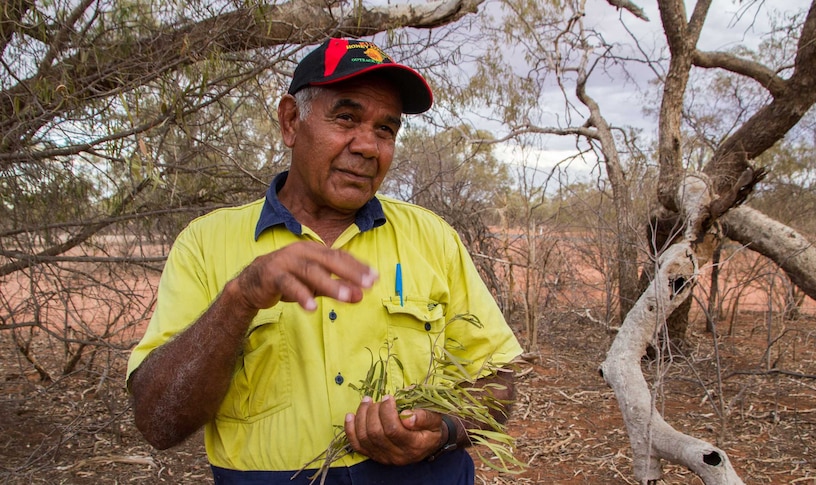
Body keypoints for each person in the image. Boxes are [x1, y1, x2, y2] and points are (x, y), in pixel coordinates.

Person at [126, 37, 523, 484]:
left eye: (385, 130)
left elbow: (496, 377)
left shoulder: (432, 238)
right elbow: (157, 422)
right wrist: (240, 298)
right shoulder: (204, 244)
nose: (368, 146)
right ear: (291, 120)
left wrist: (446, 430)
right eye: (347, 118)